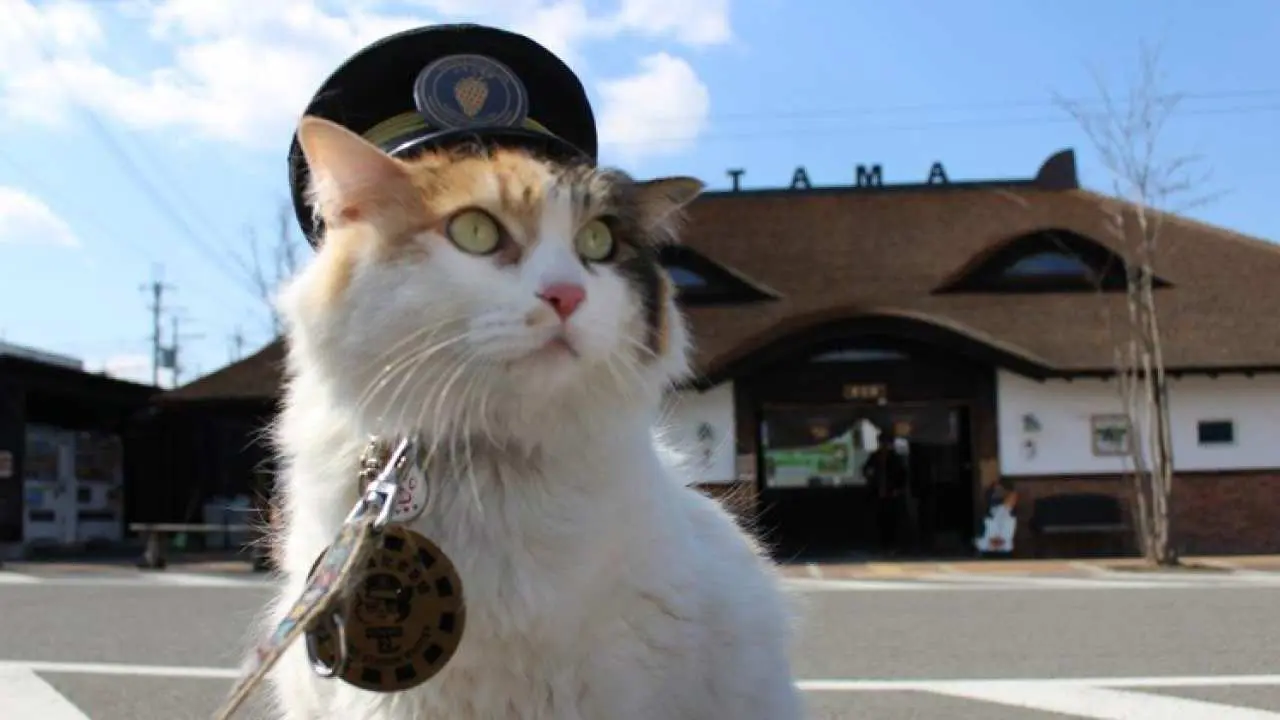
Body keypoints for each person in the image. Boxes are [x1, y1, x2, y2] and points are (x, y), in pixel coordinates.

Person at [862, 431, 909, 554]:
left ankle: (892, 545)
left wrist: (898, 490)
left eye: (886, 443)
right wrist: (870, 477)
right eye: (882, 443)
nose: (884, 446)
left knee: (892, 521)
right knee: (880, 520)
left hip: (891, 494)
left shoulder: (895, 458)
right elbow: (865, 469)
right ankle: (882, 545)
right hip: (878, 493)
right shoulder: (875, 456)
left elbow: (903, 475)